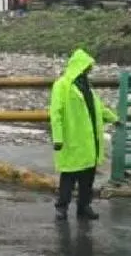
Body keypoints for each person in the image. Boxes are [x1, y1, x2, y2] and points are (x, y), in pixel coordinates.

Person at [49, 48, 120, 221]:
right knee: (69, 176)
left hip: (89, 141)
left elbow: (98, 108)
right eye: (87, 67)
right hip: (72, 139)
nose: (89, 71)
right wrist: (57, 138)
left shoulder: (87, 87)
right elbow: (55, 113)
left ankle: (84, 206)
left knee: (88, 177)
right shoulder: (62, 85)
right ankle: (62, 207)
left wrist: (114, 119)